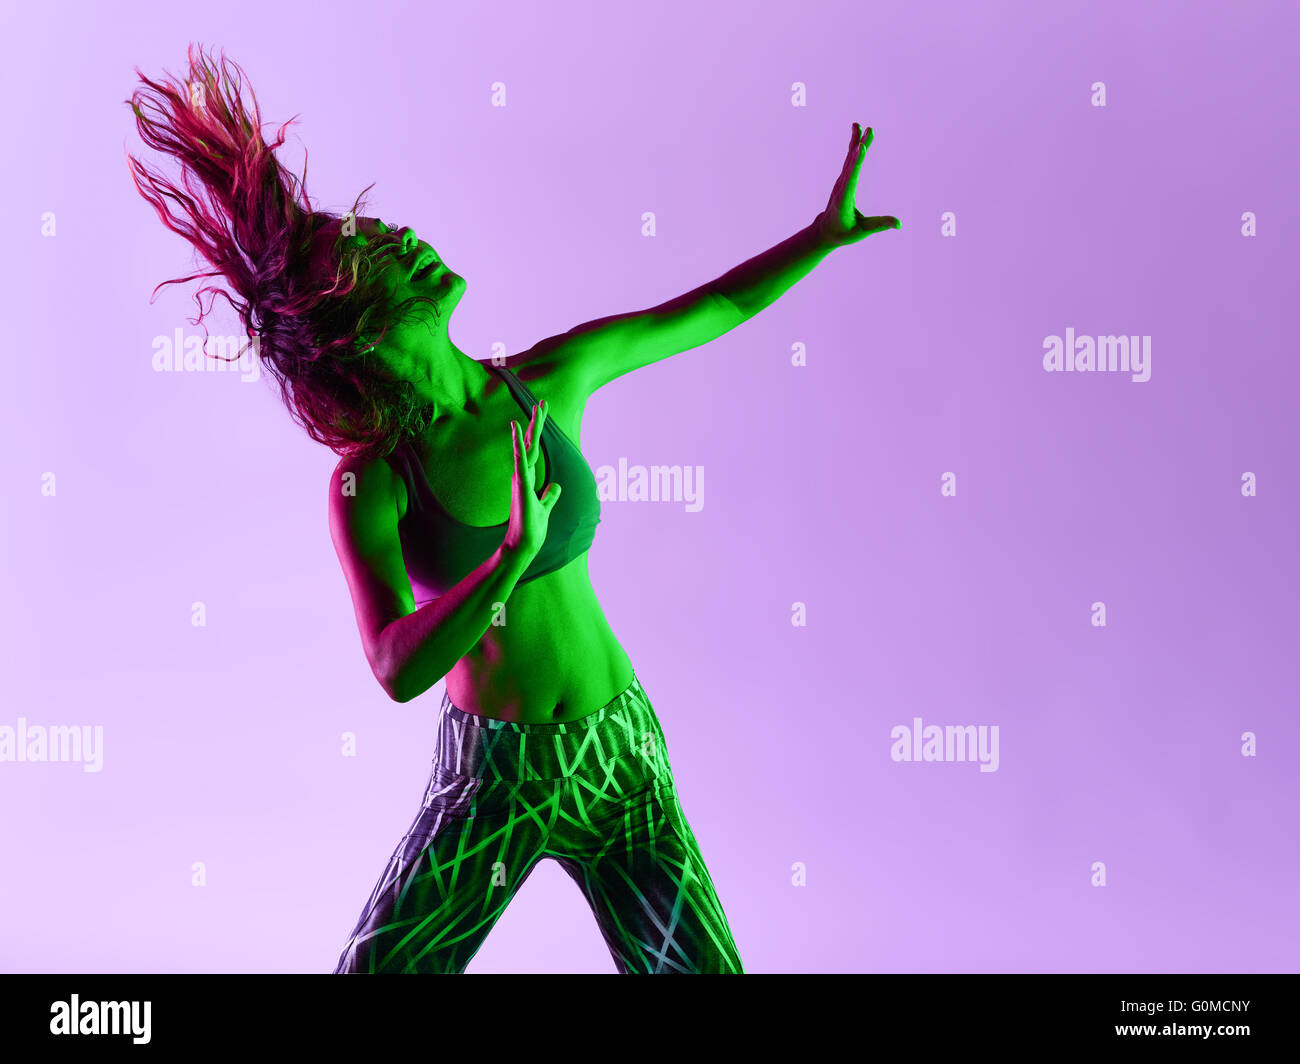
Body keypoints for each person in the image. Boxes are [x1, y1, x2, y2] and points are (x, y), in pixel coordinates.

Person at [127, 44, 899, 974]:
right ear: (358, 325)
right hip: (493, 781)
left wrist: (816, 237)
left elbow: (717, 305)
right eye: (375, 252)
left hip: (622, 757)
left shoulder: (550, 380)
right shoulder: (371, 482)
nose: (402, 236)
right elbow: (393, 668)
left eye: (382, 227)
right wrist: (504, 563)